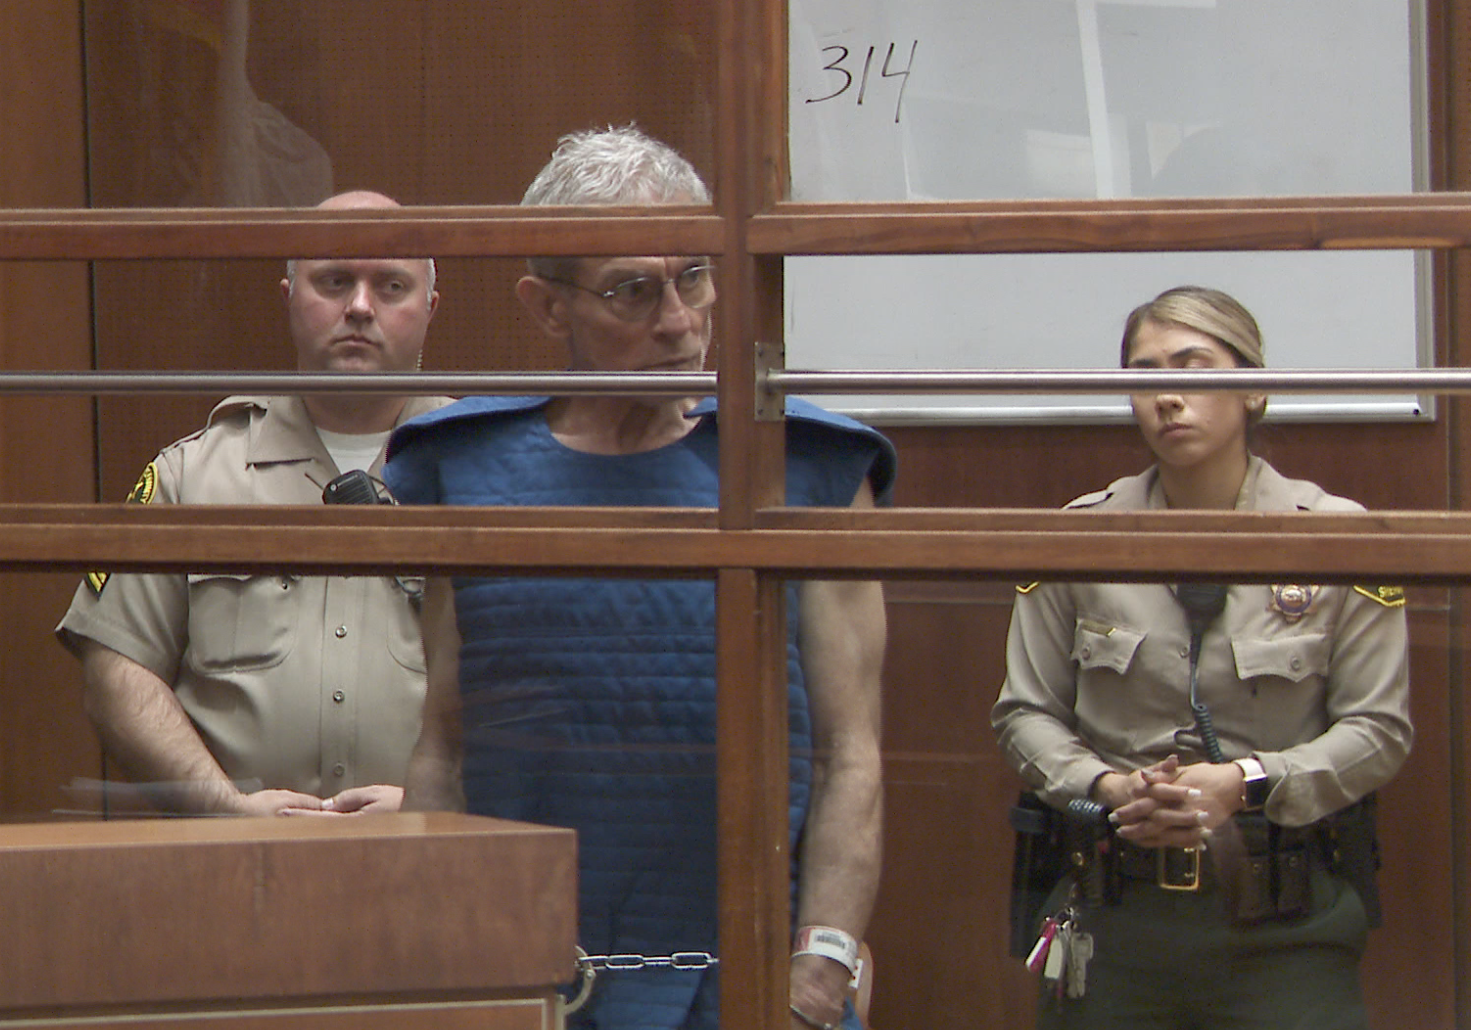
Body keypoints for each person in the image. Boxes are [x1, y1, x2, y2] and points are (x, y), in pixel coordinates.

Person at [383, 126, 894, 1030]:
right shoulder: (462, 465)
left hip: (753, 982)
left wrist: (821, 968)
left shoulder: (804, 462)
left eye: (694, 277)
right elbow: (445, 747)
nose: (679, 321)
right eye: (633, 290)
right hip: (530, 972)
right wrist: (438, 954)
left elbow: (851, 751)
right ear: (547, 309)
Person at [991, 285, 1413, 1029]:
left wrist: (1245, 781)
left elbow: (1378, 729)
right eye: (1143, 374)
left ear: (1253, 387)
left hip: (1283, 923)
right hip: (1113, 912)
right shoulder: (1078, 536)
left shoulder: (1336, 536)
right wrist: (1110, 785)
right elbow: (1024, 712)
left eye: (1192, 365)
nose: (1167, 395)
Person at [56, 190, 446, 817]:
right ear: (289, 296)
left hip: (442, 863)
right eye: (335, 281)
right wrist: (225, 812)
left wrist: (438, 801)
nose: (361, 307)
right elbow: (117, 673)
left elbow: (543, 684)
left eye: (392, 286)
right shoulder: (192, 477)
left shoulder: (484, 474)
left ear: (430, 308)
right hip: (234, 872)